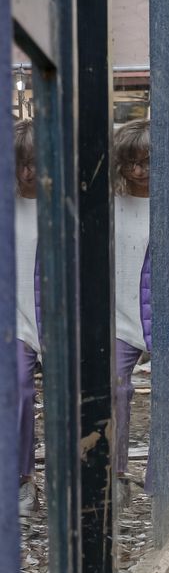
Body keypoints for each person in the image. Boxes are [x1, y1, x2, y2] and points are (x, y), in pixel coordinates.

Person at [112, 119, 153, 505]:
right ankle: (118, 473)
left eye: (147, 161)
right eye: (131, 162)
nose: (139, 170)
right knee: (115, 391)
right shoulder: (111, 204)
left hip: (160, 317)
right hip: (119, 315)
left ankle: (162, 474)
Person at [13, 119, 40, 517]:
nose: (29, 172)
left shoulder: (70, 206)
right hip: (15, 321)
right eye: (23, 163)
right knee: (17, 393)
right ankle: (21, 478)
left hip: (60, 321)